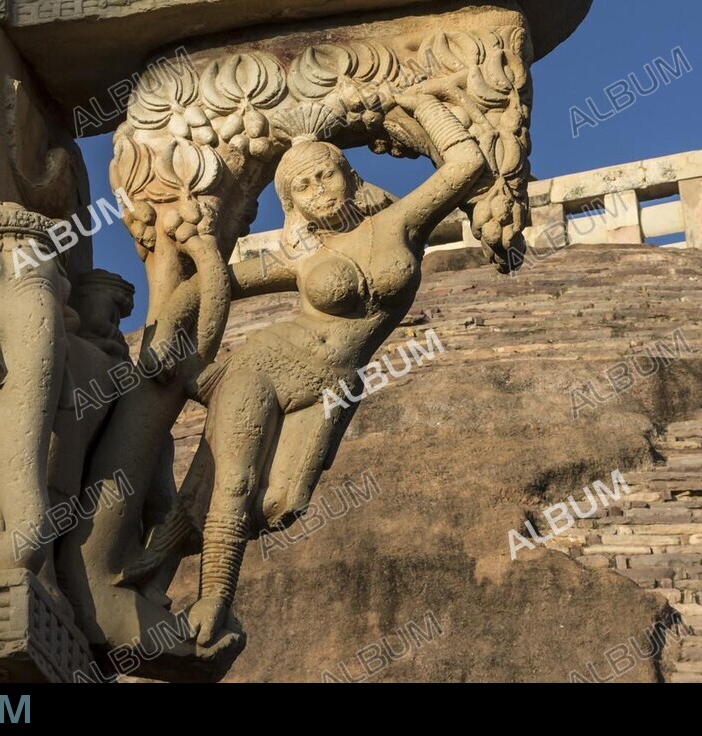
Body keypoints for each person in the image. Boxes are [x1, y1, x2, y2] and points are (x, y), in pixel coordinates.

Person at [122, 89, 488, 645]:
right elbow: (211, 285)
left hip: (334, 384)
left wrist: (425, 101)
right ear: (290, 201)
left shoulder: (397, 225)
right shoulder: (300, 256)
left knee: (280, 501)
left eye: (326, 176)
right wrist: (167, 333)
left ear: (348, 173)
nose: (319, 192)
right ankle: (213, 601)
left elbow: (466, 166)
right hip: (266, 365)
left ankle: (151, 569)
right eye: (302, 187)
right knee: (234, 482)